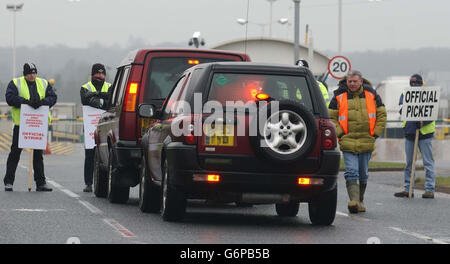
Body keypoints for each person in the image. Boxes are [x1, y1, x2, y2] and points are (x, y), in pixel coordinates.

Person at [328, 70, 386, 213]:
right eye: (350, 81)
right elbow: (331, 117)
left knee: (363, 173)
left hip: (367, 140)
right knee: (352, 171)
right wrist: (340, 134)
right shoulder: (338, 96)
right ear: (346, 82)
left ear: (361, 82)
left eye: (355, 81)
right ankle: (353, 201)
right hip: (347, 140)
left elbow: (381, 114)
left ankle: (360, 200)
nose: (352, 84)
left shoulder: (372, 95)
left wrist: (375, 133)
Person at [4, 63, 57, 192]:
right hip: (21, 124)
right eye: (29, 73)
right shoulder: (15, 83)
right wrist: (26, 102)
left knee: (38, 154)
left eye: (34, 73)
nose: (32, 75)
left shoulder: (43, 83)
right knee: (15, 153)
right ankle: (9, 182)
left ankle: (40, 183)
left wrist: (42, 102)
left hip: (38, 124)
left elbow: (53, 97)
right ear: (25, 74)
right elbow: (10, 98)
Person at [394, 74, 436, 199]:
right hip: (410, 132)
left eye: (416, 83)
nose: (414, 85)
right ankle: (408, 189)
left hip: (425, 133)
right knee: (409, 163)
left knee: (428, 163)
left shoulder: (429, 94)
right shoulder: (405, 93)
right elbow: (402, 109)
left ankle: (429, 189)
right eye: (412, 83)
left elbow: (432, 111)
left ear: (421, 83)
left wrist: (423, 121)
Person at [80, 63, 111, 192]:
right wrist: (102, 99)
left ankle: (105, 182)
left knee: (106, 153)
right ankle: (88, 183)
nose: (100, 76)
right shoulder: (85, 87)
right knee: (90, 154)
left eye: (102, 73)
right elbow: (84, 99)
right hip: (90, 125)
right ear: (92, 74)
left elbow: (111, 100)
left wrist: (96, 95)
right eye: (98, 73)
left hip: (106, 125)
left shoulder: (110, 86)